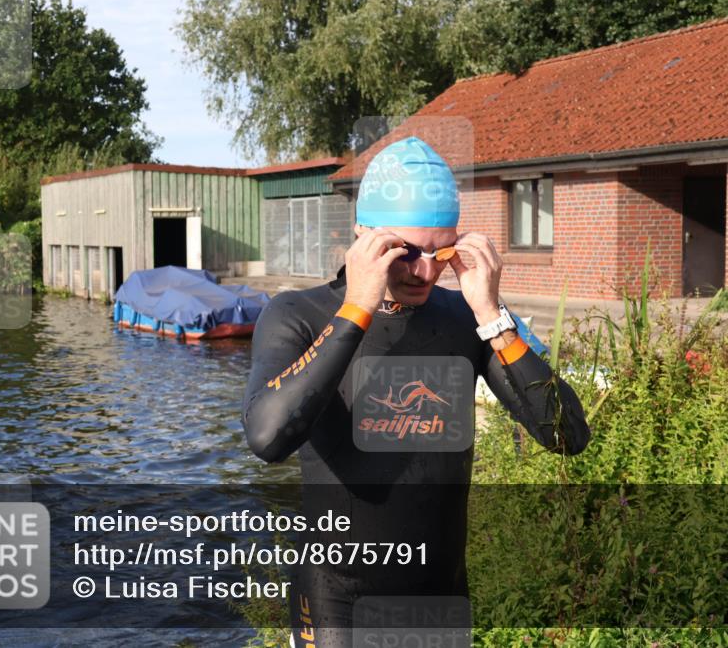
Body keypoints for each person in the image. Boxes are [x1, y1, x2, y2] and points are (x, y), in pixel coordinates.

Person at [242, 136, 590, 647]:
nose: (425, 271)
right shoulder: (298, 316)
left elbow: (567, 433)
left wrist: (492, 315)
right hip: (337, 605)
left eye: (440, 251)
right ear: (363, 235)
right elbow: (267, 438)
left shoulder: (464, 318)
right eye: (405, 252)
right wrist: (356, 309)